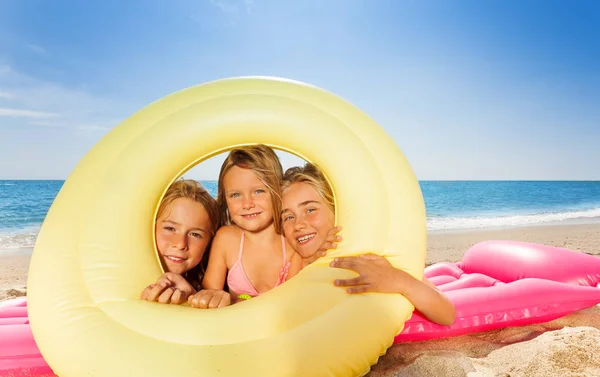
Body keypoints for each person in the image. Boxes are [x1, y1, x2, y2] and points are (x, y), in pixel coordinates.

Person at [280, 163, 456, 326]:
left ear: (337, 211)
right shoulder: (290, 264)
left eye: (310, 210)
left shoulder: (362, 256)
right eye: (288, 217)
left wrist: (401, 281)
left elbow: (447, 314)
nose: (299, 224)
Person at [190, 145, 301, 306]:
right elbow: (207, 296)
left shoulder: (292, 241)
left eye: (258, 191)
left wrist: (239, 300)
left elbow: (293, 302)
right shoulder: (226, 239)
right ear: (225, 198)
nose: (247, 204)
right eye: (235, 195)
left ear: (277, 189)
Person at [139, 179, 229, 307]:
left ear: (208, 244)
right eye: (170, 229)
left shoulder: (209, 284)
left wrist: (192, 295)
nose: (181, 244)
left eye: (195, 234)